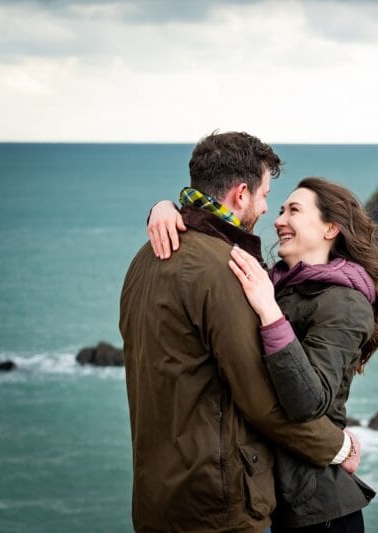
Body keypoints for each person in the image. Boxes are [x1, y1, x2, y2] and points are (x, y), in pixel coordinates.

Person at [120, 132, 360, 533]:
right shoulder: (224, 268)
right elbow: (261, 398)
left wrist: (162, 206)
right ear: (241, 193)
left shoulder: (145, 258)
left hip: (156, 500)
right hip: (218, 503)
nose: (270, 212)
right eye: (267, 197)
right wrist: (336, 446)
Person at [147, 177, 378, 532]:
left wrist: (269, 311)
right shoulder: (275, 282)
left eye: (294, 210)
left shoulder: (344, 303)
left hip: (318, 511)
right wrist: (163, 209)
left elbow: (307, 400)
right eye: (281, 208)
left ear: (331, 228)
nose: (279, 219)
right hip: (273, 500)